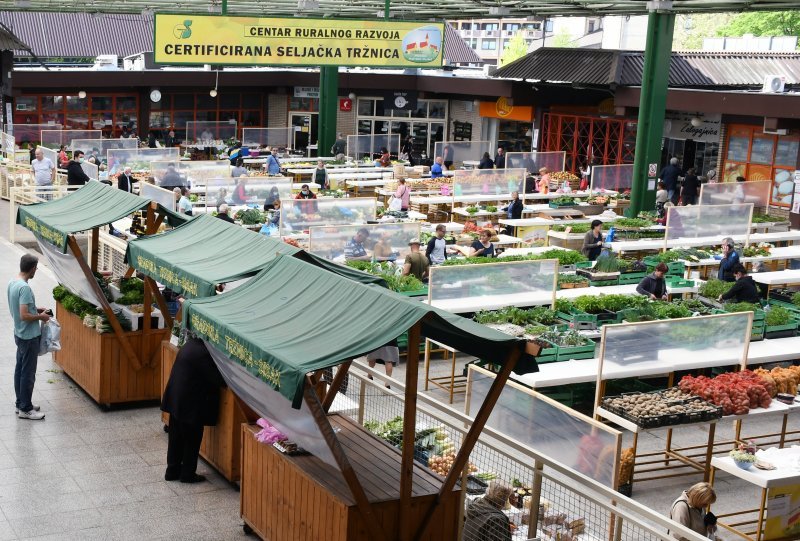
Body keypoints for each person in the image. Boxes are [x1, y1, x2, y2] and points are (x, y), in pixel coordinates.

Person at [161, 337, 225, 483]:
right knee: (192, 438)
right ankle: (187, 474)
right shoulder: (205, 353)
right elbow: (219, 380)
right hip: (189, 402)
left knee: (175, 436)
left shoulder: (191, 344)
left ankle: (171, 471)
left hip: (176, 398)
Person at [7, 254, 49, 421]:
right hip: (29, 336)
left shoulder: (13, 283)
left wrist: (36, 309)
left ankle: (21, 403)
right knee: (28, 373)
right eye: (36, 269)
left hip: (19, 333)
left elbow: (19, 309)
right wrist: (42, 317)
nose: (36, 272)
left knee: (20, 370)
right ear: (32, 268)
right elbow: (24, 315)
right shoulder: (24, 288)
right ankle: (26, 409)